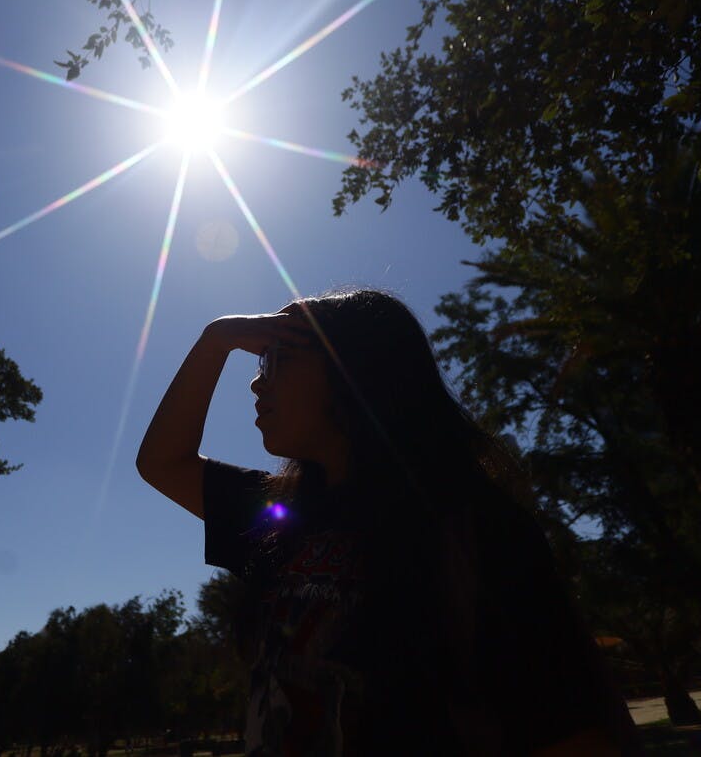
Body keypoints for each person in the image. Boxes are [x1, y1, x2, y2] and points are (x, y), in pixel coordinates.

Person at [136, 288, 639, 755]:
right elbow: (160, 462)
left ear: (354, 371)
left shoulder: (473, 526)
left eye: (278, 358)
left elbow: (569, 730)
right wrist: (215, 339)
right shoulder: (277, 517)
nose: (255, 379)